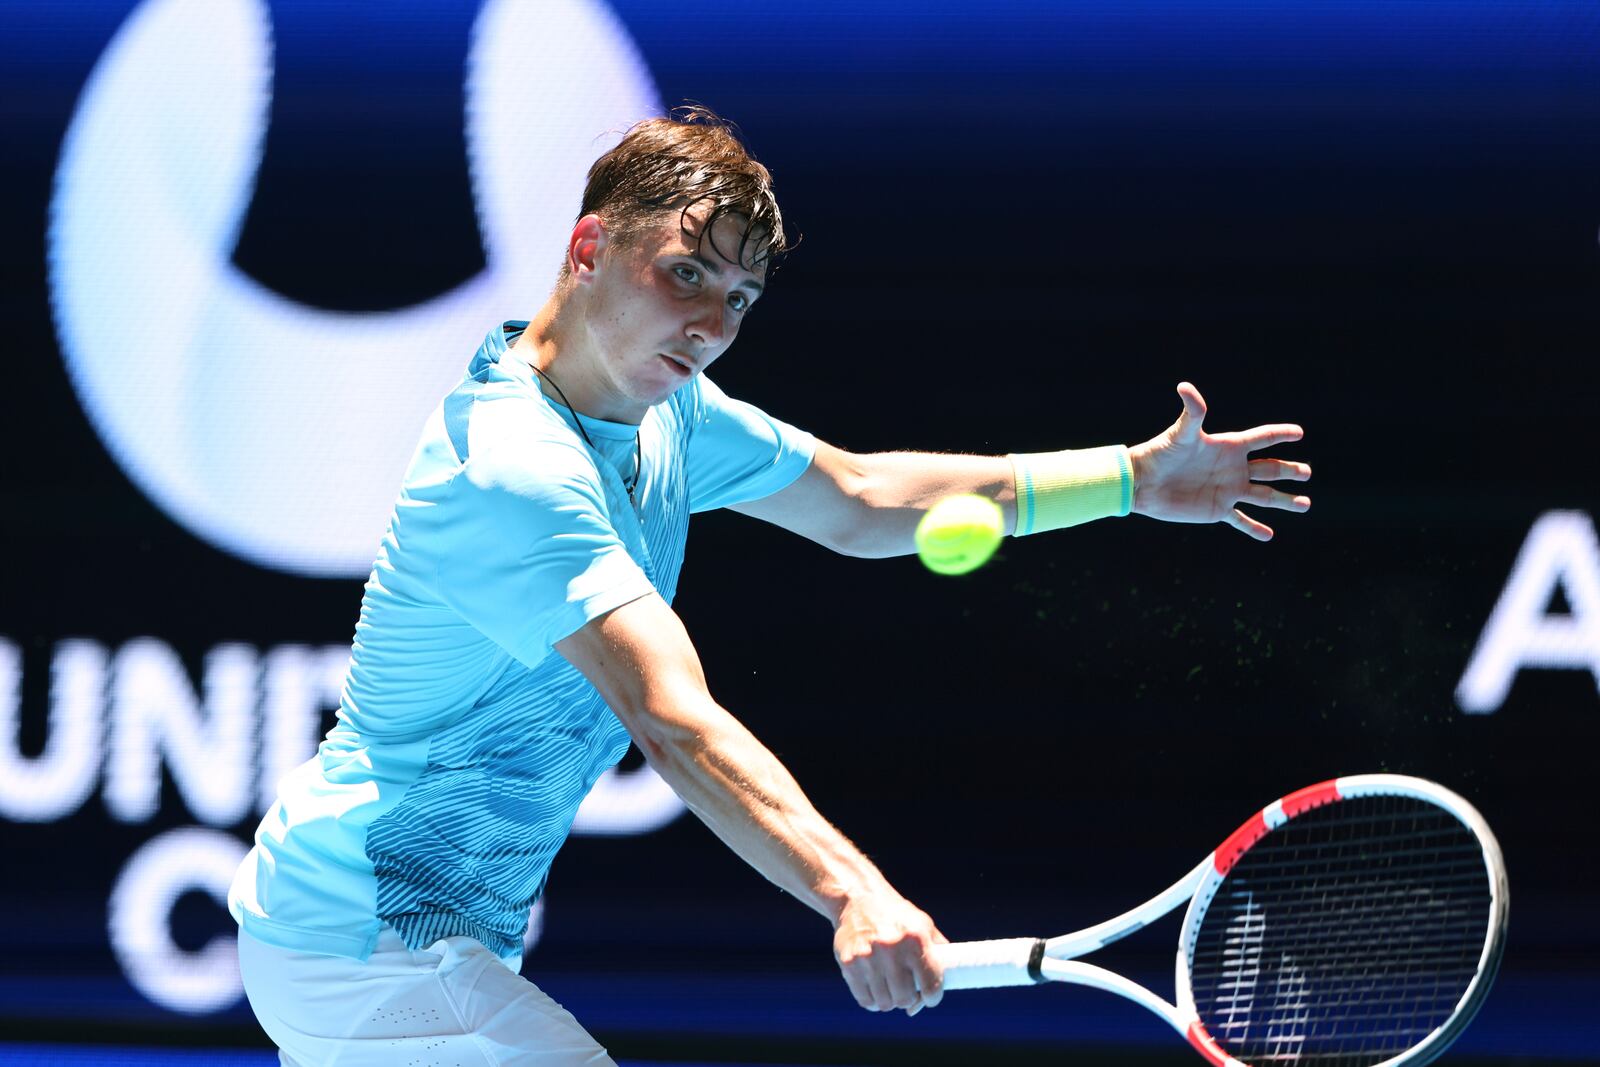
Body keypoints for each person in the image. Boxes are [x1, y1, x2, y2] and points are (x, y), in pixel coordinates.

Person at [229, 108, 1310, 1066]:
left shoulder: (663, 412)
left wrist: (1123, 477)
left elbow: (858, 495)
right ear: (590, 246)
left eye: (739, 295)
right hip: (359, 939)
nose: (709, 323)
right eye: (685, 274)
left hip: (424, 935)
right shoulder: (512, 468)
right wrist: (852, 890)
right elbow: (673, 720)